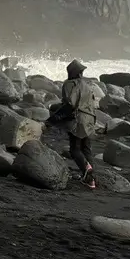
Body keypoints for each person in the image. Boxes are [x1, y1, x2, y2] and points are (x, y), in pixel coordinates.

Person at [55, 58, 101, 188]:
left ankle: (89, 172)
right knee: (86, 149)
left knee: (75, 150)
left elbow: (69, 104)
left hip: (78, 120)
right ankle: (91, 180)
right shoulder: (86, 85)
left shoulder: (69, 84)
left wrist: (54, 119)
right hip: (90, 120)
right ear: (79, 73)